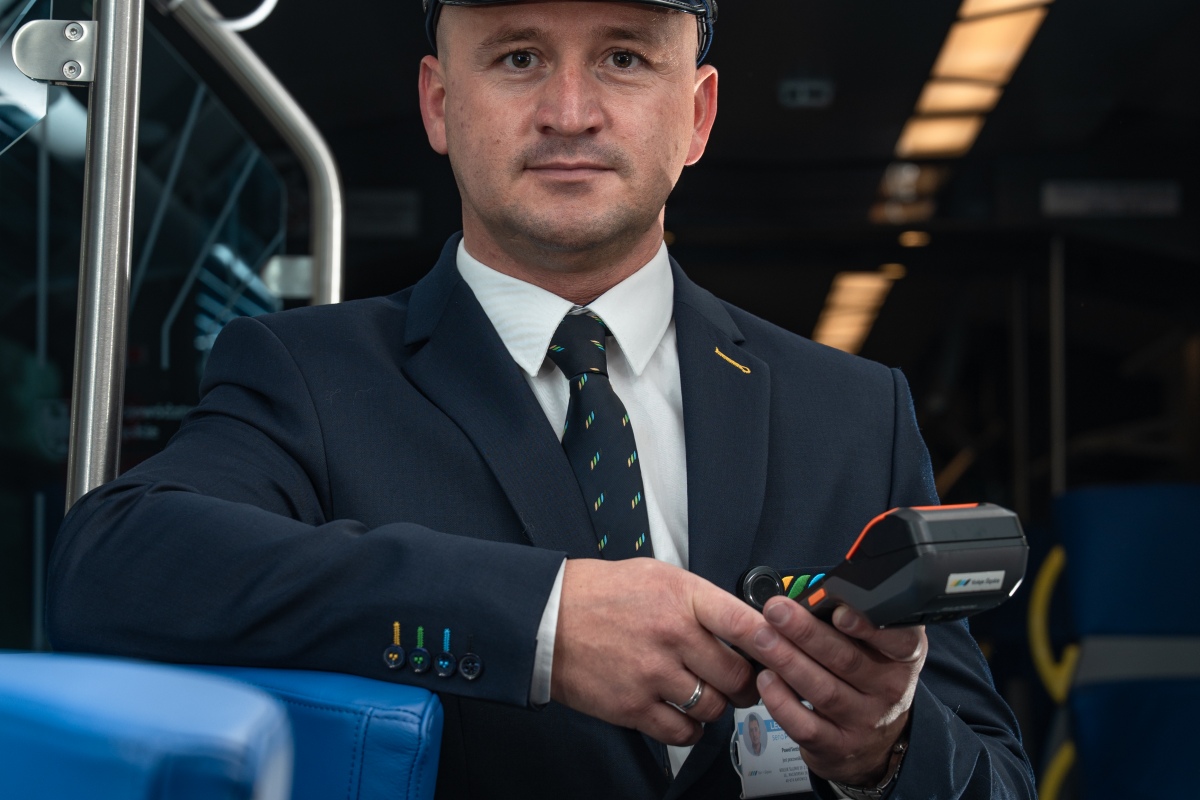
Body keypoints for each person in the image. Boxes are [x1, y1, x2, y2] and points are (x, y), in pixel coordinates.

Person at [47, 1, 1035, 798]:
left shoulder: (853, 410)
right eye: (518, 58)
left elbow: (995, 777)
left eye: (624, 59)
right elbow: (113, 567)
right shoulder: (309, 375)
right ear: (439, 104)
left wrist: (884, 750)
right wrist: (543, 622)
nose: (570, 111)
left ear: (697, 115)